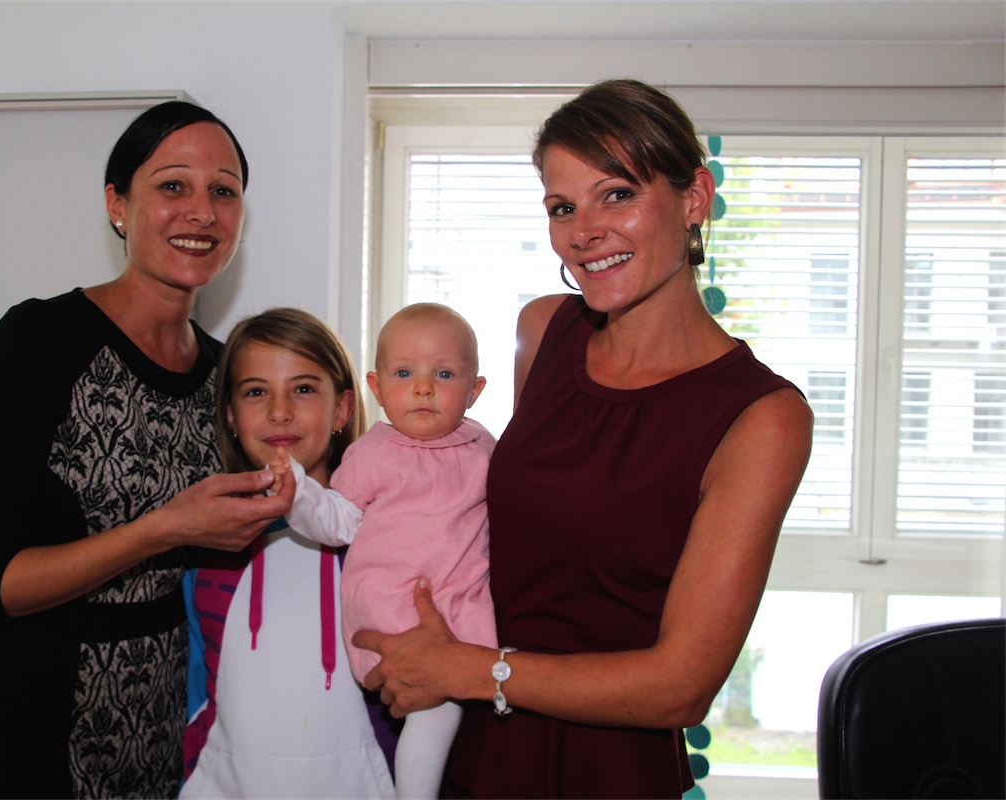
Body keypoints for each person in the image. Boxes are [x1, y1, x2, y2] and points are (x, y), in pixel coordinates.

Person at [353, 79, 815, 799]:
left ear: (694, 198)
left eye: (617, 194)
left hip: (607, 767)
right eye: (562, 207)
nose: (583, 231)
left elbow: (682, 685)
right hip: (471, 743)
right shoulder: (544, 331)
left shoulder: (761, 417)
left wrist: (473, 669)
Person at [0, 101, 292, 799]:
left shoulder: (227, 374)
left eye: (223, 191)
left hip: (172, 716)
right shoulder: (37, 343)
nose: (202, 211)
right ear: (117, 204)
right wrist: (162, 528)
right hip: (37, 716)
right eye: (173, 186)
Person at [271, 303, 498, 799]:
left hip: (463, 601)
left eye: (444, 374)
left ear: (475, 390)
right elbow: (337, 522)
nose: (423, 388)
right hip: (394, 607)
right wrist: (300, 493)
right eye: (404, 373)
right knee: (435, 712)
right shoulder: (373, 453)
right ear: (376, 388)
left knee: (482, 689)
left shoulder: (484, 448)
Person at [179, 307, 395, 799]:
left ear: (342, 409)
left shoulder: (383, 537)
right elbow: (196, 693)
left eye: (303, 389)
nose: (279, 411)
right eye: (256, 392)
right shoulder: (208, 545)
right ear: (231, 416)